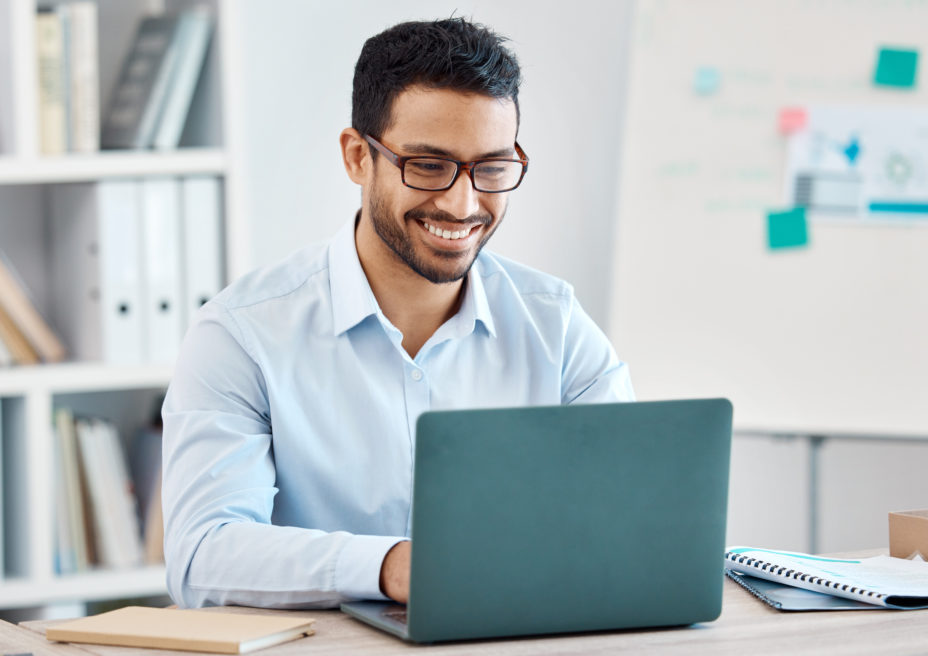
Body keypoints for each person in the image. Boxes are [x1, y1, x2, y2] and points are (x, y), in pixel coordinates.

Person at [162, 17, 634, 610]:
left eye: (490, 168)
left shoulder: (556, 326)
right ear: (359, 157)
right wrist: (391, 566)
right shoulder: (242, 334)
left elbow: (630, 521)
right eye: (429, 166)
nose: (463, 205)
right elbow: (202, 556)